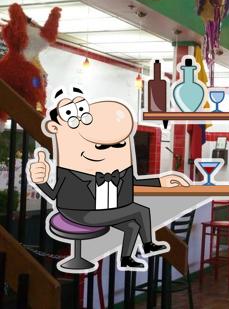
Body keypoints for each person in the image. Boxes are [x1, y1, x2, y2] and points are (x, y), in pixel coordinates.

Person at [28, 89, 190, 271]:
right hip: (78, 213)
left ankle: (127, 258)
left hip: (102, 210)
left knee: (131, 224)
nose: (109, 151)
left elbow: (134, 184)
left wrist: (161, 182)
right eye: (100, 146)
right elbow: (55, 194)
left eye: (119, 144)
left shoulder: (119, 170)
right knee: (139, 211)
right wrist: (40, 181)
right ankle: (147, 245)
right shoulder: (70, 172)